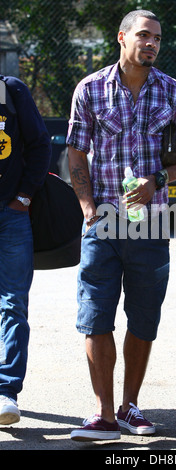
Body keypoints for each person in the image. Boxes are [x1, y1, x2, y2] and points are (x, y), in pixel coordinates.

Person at [67, 9, 176, 441]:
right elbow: (75, 153)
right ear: (122, 38)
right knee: (95, 316)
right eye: (144, 35)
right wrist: (88, 207)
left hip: (152, 223)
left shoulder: (173, 92)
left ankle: (129, 407)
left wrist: (158, 180)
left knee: (143, 318)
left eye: (158, 38)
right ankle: (104, 415)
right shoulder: (90, 90)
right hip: (102, 222)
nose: (152, 43)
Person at [0, 75, 51, 424]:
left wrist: (24, 195)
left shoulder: (11, 90)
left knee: (13, 301)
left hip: (10, 215)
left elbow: (40, 144)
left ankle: (5, 392)